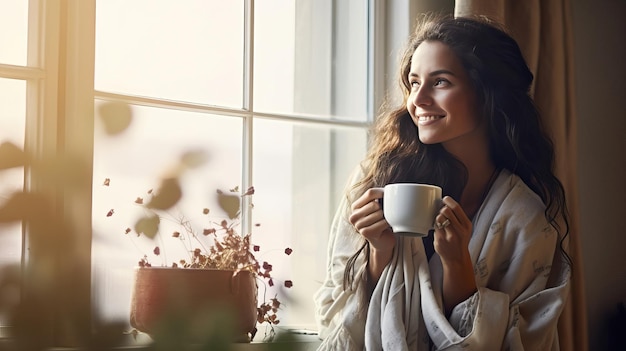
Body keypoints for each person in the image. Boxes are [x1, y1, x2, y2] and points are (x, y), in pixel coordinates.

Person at [314, 14, 571, 350]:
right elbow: (335, 324)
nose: (417, 101)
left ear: (487, 94)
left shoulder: (524, 218)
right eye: (414, 82)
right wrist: (379, 252)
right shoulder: (374, 179)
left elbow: (520, 342)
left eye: (440, 82)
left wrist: (457, 263)